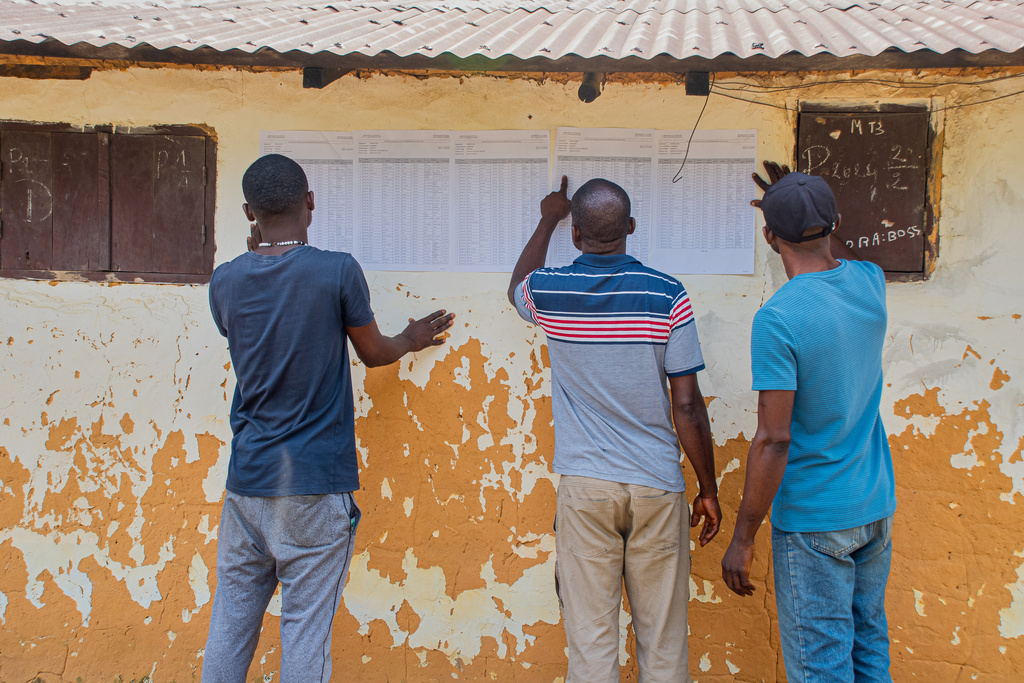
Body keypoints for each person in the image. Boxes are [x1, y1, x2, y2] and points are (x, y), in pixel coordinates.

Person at [203, 154, 455, 682]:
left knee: (228, 629)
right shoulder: (335, 270)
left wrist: (257, 255)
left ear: (249, 212)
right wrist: (411, 338)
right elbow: (373, 352)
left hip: (246, 487)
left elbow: (258, 329)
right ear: (310, 203)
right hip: (314, 486)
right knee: (304, 634)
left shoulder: (225, 281)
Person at [508, 176, 722, 682]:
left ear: (577, 235)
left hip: (586, 492)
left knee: (591, 645)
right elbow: (687, 405)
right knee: (665, 645)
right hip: (656, 486)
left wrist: (548, 218)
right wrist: (708, 490)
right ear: (630, 227)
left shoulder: (551, 290)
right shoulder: (668, 293)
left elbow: (516, 286)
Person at [721, 164, 897, 681]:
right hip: (873, 505)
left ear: (768, 236)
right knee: (869, 652)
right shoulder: (871, 282)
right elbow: (834, 251)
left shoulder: (778, 318)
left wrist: (744, 536)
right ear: (835, 221)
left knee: (822, 668)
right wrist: (805, 200)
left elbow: (774, 439)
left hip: (817, 520)